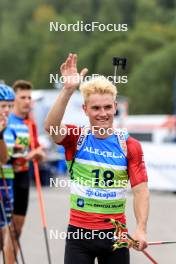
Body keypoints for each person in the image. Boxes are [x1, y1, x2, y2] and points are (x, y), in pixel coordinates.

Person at [45, 53, 149, 264]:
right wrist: (67, 90)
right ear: (85, 109)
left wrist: (140, 229)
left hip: (115, 237)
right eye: (95, 108)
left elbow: (141, 191)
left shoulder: (129, 145)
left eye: (107, 107)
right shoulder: (76, 137)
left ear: (115, 107)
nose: (102, 113)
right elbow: (50, 128)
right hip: (79, 236)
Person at [6, 80, 46, 263]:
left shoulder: (30, 124)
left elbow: (37, 150)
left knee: (17, 230)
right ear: (15, 99)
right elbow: (8, 152)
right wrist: (30, 154)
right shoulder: (6, 119)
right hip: (6, 177)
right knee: (4, 229)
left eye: (30, 97)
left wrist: (39, 154)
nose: (27, 101)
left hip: (22, 177)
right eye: (23, 97)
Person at [0, 84, 15, 260]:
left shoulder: (9, 130)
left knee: (8, 231)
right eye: (3, 105)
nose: (7, 110)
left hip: (6, 186)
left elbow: (4, 159)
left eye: (10, 105)